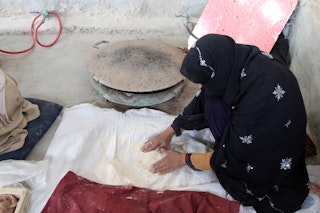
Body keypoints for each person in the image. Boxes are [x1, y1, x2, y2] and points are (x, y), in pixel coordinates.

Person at [141, 34, 309, 212]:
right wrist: (170, 131)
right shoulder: (234, 59)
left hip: (270, 151)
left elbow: (235, 158)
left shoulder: (258, 98)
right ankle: (227, 144)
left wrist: (183, 160)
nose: (203, 85)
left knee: (235, 163)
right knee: (213, 102)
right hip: (259, 123)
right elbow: (205, 96)